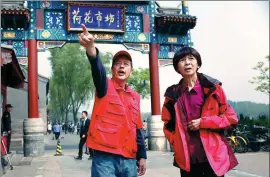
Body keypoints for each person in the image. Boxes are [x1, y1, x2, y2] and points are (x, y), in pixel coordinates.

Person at [78, 24, 147, 177]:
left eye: (126, 64)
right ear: (112, 69)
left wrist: (142, 156)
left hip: (129, 158)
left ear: (131, 71)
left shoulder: (135, 96)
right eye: (118, 64)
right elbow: (97, 69)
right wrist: (91, 49)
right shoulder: (104, 85)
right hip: (105, 158)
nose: (122, 67)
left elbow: (138, 129)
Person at [161, 47, 239, 177]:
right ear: (177, 68)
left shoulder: (213, 89)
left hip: (212, 156)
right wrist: (177, 144)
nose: (187, 63)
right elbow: (168, 124)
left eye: (191, 59)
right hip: (188, 159)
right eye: (182, 60)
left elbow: (231, 118)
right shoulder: (172, 95)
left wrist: (204, 122)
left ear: (198, 64)